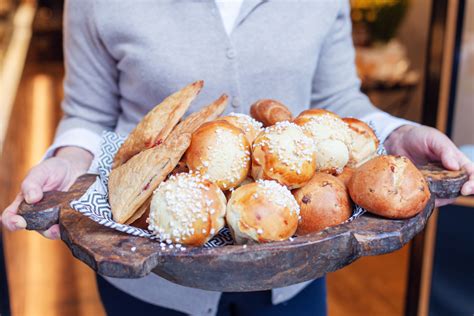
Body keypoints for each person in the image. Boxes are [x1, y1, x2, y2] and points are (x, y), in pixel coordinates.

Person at [2, 1, 473, 315]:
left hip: (294, 263)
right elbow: (87, 113)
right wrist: (68, 160)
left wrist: (396, 133)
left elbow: (337, 97)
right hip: (152, 272)